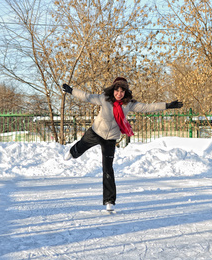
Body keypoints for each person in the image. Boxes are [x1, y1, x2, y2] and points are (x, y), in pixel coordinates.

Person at [62, 77, 183, 211]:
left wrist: (167, 105)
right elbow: (87, 97)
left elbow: (147, 107)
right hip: (96, 132)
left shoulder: (129, 104)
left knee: (108, 168)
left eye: (122, 91)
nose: (119, 94)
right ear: (113, 90)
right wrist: (71, 90)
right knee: (81, 146)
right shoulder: (104, 99)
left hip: (111, 138)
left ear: (125, 92)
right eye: (117, 90)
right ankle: (72, 152)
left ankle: (109, 200)